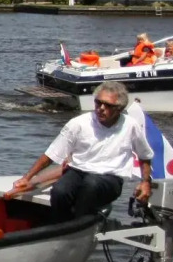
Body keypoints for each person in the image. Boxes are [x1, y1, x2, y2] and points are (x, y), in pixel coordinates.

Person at [11, 82, 153, 221]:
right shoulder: (78, 123)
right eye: (98, 102)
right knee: (60, 191)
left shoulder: (131, 125)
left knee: (91, 185)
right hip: (78, 171)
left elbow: (144, 155)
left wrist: (145, 182)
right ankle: (60, 225)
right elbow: (52, 154)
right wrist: (27, 178)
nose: (101, 108)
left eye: (108, 105)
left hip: (110, 178)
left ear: (119, 109)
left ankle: (79, 224)